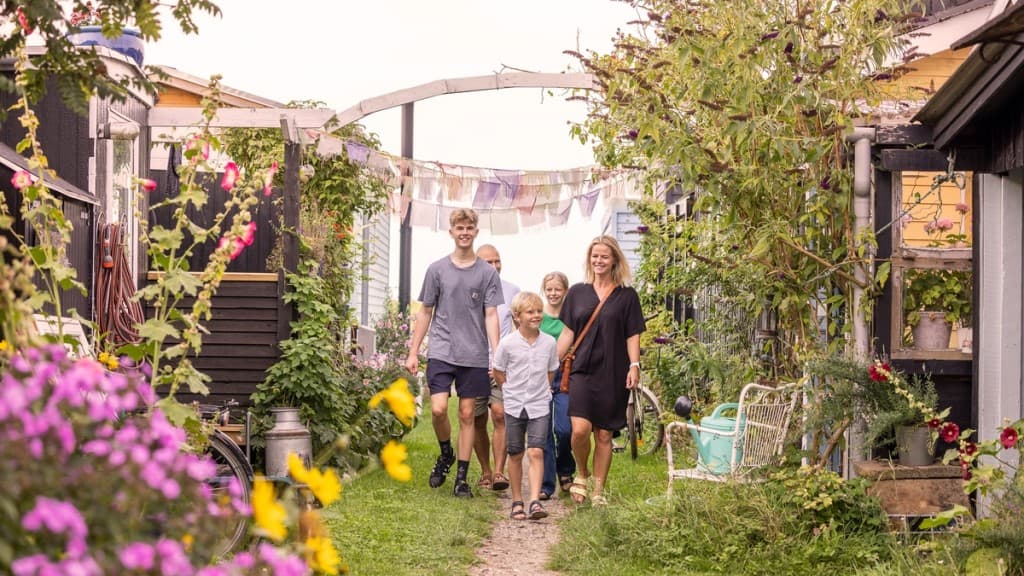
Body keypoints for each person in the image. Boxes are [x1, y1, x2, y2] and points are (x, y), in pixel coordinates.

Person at [405, 209, 502, 498]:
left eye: (469, 228)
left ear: (475, 231)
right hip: (442, 351)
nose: (464, 232)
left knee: (468, 413)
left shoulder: (486, 273)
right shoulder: (437, 270)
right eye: (459, 227)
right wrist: (413, 352)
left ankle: (461, 477)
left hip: (473, 354)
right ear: (451, 232)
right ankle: (446, 453)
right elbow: (425, 312)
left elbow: (492, 314)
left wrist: (496, 354)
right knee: (437, 409)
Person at [557, 236, 645, 506]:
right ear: (589, 259)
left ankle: (598, 491)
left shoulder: (627, 296)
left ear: (615, 260)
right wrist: (549, 365)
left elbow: (633, 335)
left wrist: (634, 364)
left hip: (613, 372)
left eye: (604, 256)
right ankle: (581, 473)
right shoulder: (577, 293)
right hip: (582, 370)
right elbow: (568, 334)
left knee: (604, 434)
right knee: (580, 430)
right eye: (595, 256)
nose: (599, 261)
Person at [492, 291, 559, 520]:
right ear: (517, 316)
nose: (537, 315)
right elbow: (498, 370)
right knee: (516, 453)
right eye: (530, 312)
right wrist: (508, 389)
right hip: (514, 404)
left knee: (536, 451)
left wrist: (543, 390)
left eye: (539, 311)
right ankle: (517, 500)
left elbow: (551, 371)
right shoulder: (508, 343)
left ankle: (535, 502)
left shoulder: (549, 343)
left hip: (539, 404)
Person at [472, 244, 519, 492]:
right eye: (488, 262)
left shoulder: (512, 291)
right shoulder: (467, 290)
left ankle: (500, 471)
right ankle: (486, 471)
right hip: (473, 365)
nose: (494, 266)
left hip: (501, 366)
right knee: (477, 419)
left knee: (500, 414)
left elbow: (521, 327)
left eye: (497, 261)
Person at [538, 271, 576, 500]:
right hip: (540, 376)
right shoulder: (538, 316)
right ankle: (546, 484)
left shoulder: (571, 318)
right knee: (543, 431)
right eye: (549, 289)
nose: (553, 293)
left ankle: (565, 468)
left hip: (564, 376)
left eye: (557, 289)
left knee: (564, 429)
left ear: (566, 291)